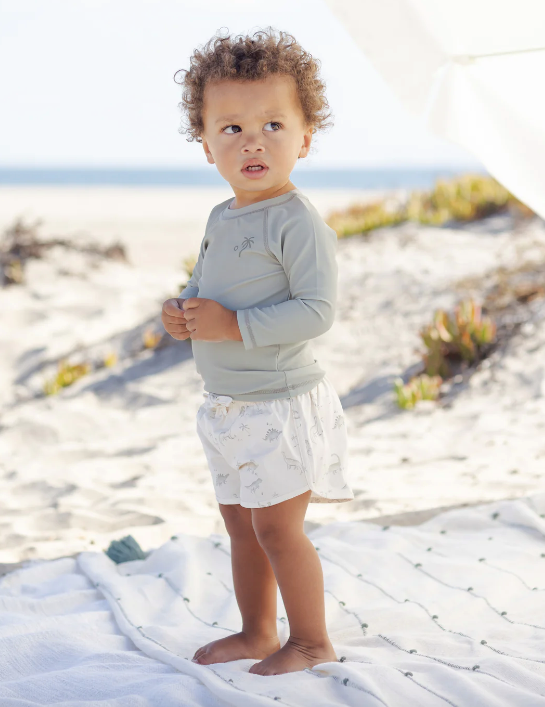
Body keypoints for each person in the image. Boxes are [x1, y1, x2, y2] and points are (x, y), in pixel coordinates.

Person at [162, 26, 354, 676]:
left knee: (277, 530)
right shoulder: (223, 216)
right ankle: (256, 631)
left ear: (305, 137)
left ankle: (312, 640)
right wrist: (183, 310)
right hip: (226, 406)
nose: (253, 141)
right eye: (232, 128)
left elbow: (317, 310)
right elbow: (205, 285)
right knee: (241, 528)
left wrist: (232, 326)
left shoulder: (297, 221)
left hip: (280, 404)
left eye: (273, 124)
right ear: (206, 143)